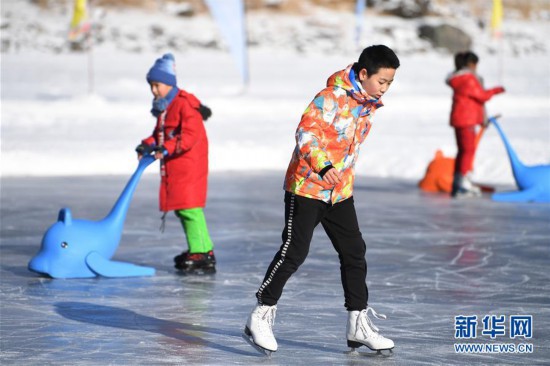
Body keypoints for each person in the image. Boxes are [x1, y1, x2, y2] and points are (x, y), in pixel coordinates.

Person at [244, 45, 400, 354]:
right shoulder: (330, 98)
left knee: (354, 251)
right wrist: (323, 165)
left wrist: (337, 174)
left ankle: (357, 322)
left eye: (390, 83)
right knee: (294, 252)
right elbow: (306, 133)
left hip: (338, 191)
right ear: (364, 74)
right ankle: (260, 315)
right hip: (307, 187)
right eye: (382, 81)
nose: (385, 88)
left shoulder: (366, 103)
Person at [136, 53, 216, 274]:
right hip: (176, 167)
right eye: (151, 86)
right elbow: (160, 134)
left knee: (191, 209)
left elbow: (189, 136)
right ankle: (198, 249)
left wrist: (166, 148)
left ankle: (204, 253)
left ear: (169, 84)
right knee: (183, 209)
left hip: (189, 166)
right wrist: (147, 145)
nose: (153, 90)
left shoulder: (184, 105)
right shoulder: (166, 106)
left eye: (157, 85)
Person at [446, 51, 505, 198]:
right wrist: (497, 90)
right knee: (468, 151)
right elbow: (482, 96)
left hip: (460, 118)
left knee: (462, 151)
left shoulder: (459, 78)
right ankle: (463, 184)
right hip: (467, 120)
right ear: (471, 64)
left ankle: (458, 182)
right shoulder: (468, 79)